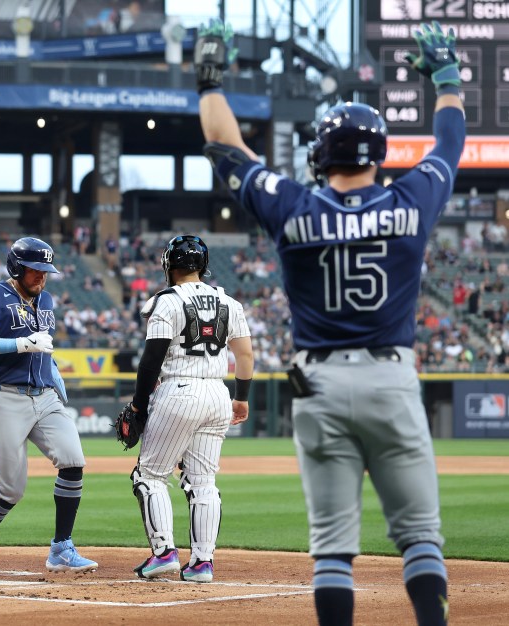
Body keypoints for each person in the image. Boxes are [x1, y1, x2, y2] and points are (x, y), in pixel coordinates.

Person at [194, 19, 464, 626]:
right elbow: (450, 141)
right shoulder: (411, 199)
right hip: (391, 377)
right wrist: (445, 75)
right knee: (420, 538)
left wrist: (209, 78)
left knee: (333, 552)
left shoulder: (292, 204)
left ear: (320, 152)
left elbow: (224, 145)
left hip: (313, 384)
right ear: (380, 152)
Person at [0, 236, 97, 581]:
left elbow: (43, 346)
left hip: (44, 395)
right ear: (17, 268)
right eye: (36, 270)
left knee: (73, 459)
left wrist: (52, 372)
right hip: (3, 396)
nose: (43, 277)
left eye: (46, 271)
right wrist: (19, 343)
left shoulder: (46, 299)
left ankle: (61, 547)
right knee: (11, 489)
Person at [126, 234, 254, 582]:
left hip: (179, 389)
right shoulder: (229, 302)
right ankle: (202, 563)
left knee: (149, 475)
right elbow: (244, 354)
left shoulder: (166, 301)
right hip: (218, 395)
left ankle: (164, 552)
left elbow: (151, 359)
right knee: (203, 481)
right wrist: (240, 398)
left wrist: (139, 406)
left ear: (169, 265)